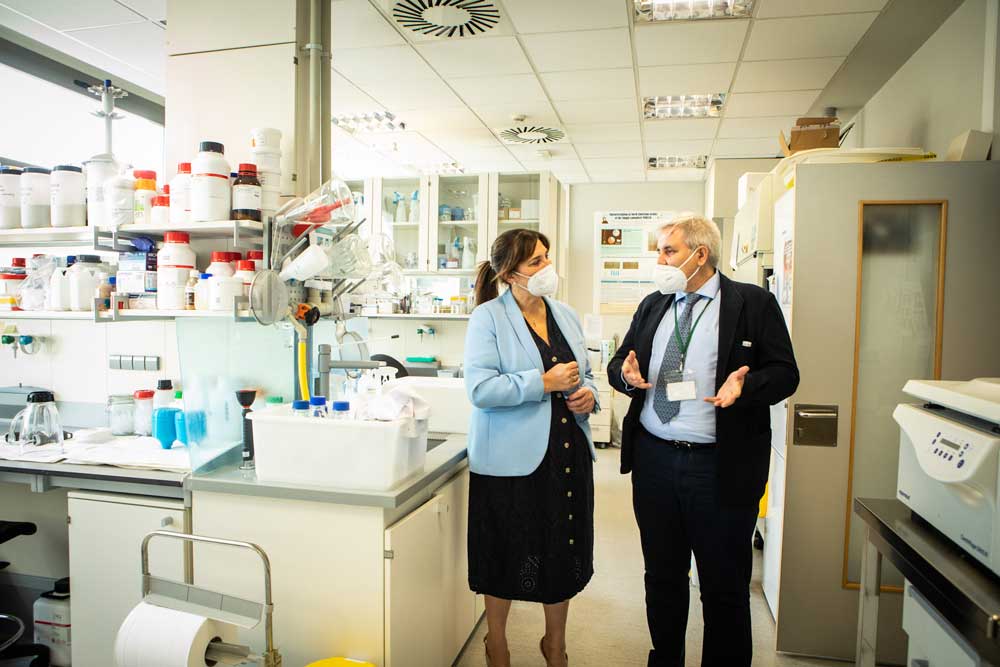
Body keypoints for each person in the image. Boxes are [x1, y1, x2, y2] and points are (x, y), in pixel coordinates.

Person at [607, 215, 799, 667]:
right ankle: (666, 658)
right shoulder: (655, 303)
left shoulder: (752, 303)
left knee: (724, 584)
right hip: (654, 461)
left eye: (668, 251)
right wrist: (627, 377)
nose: (660, 260)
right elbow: (621, 361)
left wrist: (745, 387)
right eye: (658, 250)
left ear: (700, 254)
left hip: (720, 467)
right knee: (663, 576)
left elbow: (785, 374)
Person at [464, 228, 600, 667]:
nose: (547, 268)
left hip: (566, 454)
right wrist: (542, 383)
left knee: (563, 549)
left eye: (546, 257)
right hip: (510, 460)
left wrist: (589, 396)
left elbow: (587, 374)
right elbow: (481, 389)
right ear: (510, 273)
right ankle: (498, 643)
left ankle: (554, 645)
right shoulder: (488, 318)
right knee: (506, 551)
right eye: (535, 262)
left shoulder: (565, 314)